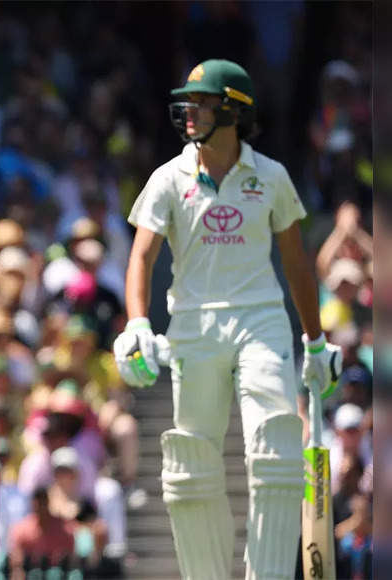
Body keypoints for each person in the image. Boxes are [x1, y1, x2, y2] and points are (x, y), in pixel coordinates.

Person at [113, 59, 342, 579]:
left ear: (234, 110)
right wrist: (137, 324)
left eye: (201, 103)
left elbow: (296, 263)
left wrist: (316, 342)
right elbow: (141, 258)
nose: (189, 113)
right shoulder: (168, 177)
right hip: (193, 326)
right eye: (187, 103)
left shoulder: (272, 176)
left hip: (261, 320)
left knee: (277, 447)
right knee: (191, 464)